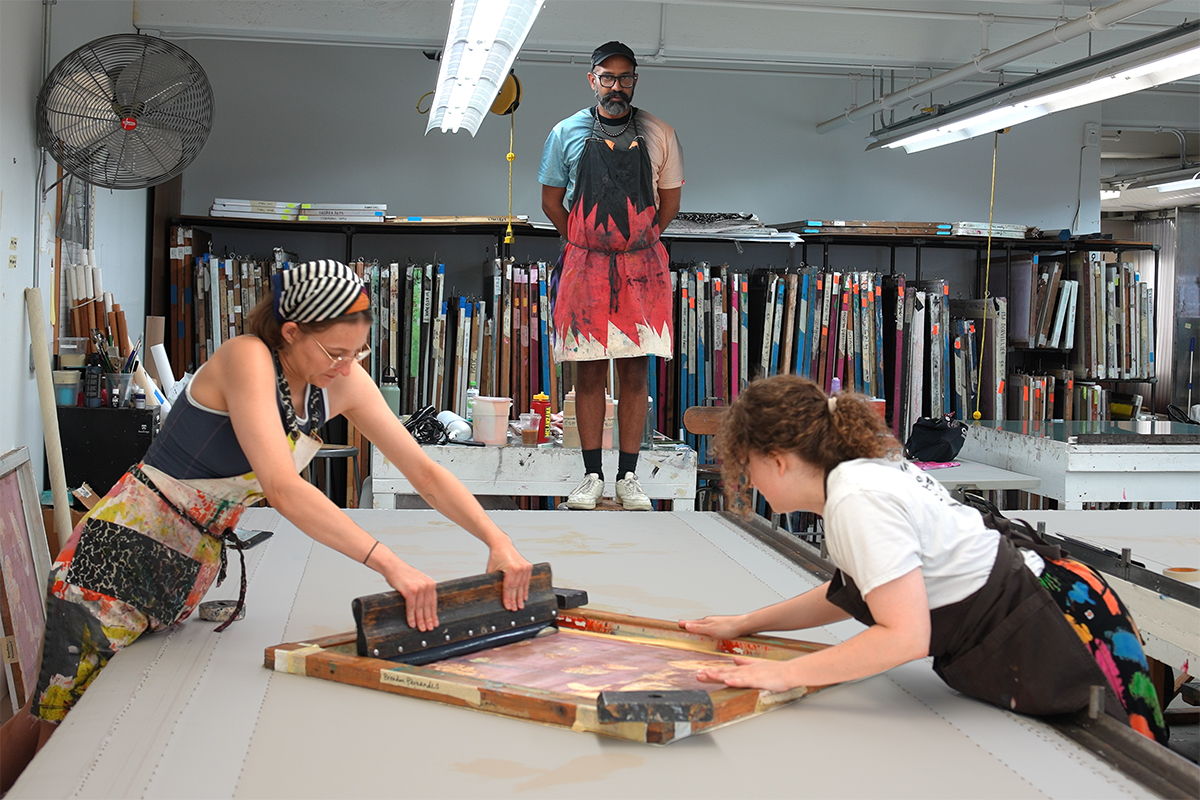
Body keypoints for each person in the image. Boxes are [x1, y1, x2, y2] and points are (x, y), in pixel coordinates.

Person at [0, 260, 533, 791]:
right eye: (335, 353)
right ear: (291, 331)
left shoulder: (338, 382)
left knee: (92, 720)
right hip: (113, 564)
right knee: (63, 741)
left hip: (183, 570)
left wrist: (498, 540)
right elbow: (281, 487)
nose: (348, 367)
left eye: (358, 352)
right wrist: (391, 564)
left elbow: (422, 470)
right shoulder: (246, 359)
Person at [680, 375, 1167, 744]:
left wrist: (781, 675)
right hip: (1056, 600)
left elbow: (906, 635)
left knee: (1132, 765)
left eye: (747, 466)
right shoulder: (857, 480)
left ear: (779, 459)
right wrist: (747, 623)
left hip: (1057, 627)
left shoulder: (856, 498)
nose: (749, 481)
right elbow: (853, 591)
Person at [539, 40, 683, 511]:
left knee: (635, 372)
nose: (615, 86)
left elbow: (669, 205)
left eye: (624, 78)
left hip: (642, 267)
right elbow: (550, 202)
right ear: (592, 80)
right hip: (585, 266)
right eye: (607, 77)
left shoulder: (660, 132)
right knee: (587, 373)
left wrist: (636, 244)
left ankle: (628, 476)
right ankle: (591, 476)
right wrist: (586, 242)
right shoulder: (566, 132)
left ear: (635, 81)